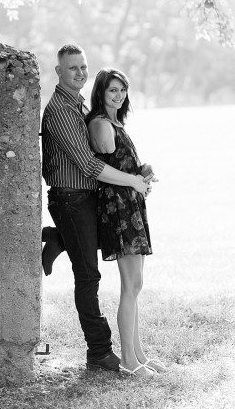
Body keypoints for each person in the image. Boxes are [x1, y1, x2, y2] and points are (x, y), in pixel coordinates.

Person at [40, 45, 153, 373]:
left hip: (88, 199)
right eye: (71, 68)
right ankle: (100, 351)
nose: (78, 72)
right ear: (59, 71)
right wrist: (132, 182)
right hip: (71, 198)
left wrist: (137, 174)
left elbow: (109, 158)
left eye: (83, 67)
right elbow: (90, 164)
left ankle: (56, 239)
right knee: (88, 275)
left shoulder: (79, 105)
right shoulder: (61, 110)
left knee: (101, 256)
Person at [86, 68, 164, 377]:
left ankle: (139, 354)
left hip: (130, 205)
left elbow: (121, 165)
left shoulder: (117, 123)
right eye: (112, 91)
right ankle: (130, 361)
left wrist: (141, 175)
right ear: (101, 94)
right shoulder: (102, 124)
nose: (118, 95)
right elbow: (102, 170)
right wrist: (133, 180)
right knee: (129, 286)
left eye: (122, 90)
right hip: (118, 209)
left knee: (136, 285)